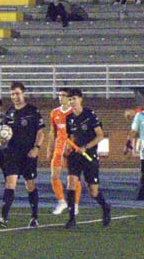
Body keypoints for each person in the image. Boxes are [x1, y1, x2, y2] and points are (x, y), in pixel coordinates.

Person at [0, 82, 45, 228]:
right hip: (12, 153)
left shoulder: (32, 111)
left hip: (28, 154)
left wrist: (36, 148)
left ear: (23, 94)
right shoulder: (9, 112)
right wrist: (2, 140)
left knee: (30, 185)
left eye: (17, 93)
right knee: (10, 183)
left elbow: (41, 132)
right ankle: (3, 217)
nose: (15, 96)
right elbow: (6, 132)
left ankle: (34, 217)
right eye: (12, 94)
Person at [63, 88, 112, 228]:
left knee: (93, 191)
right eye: (70, 99)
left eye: (74, 99)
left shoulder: (89, 115)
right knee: (71, 183)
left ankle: (105, 207)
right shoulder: (69, 118)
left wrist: (86, 147)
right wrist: (69, 147)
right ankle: (71, 218)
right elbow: (70, 136)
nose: (72, 102)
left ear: (80, 99)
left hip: (89, 156)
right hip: (75, 156)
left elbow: (100, 135)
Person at [46, 88, 81, 215]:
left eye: (64, 95)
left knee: (73, 178)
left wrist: (72, 145)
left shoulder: (74, 112)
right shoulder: (54, 112)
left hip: (72, 147)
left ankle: (75, 204)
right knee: (54, 176)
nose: (61, 98)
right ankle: (61, 202)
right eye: (60, 95)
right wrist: (49, 148)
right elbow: (52, 132)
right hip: (59, 147)